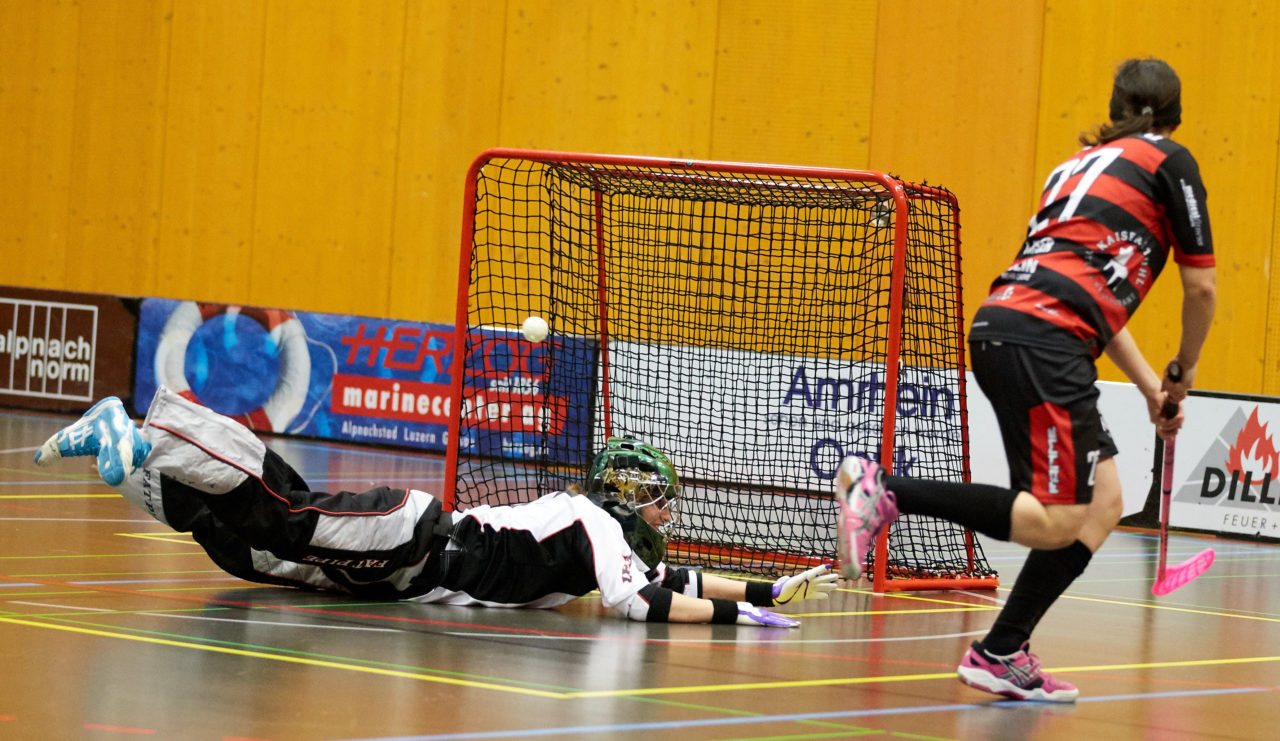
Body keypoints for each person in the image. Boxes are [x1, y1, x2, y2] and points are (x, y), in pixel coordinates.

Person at [836, 57, 1216, 703]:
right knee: (1055, 521)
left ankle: (1000, 650)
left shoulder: (1071, 168)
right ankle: (882, 489)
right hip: (1046, 343)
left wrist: (1156, 387)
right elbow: (1201, 286)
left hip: (1007, 325)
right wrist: (1186, 371)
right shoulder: (1170, 161)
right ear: (1174, 114)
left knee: (1104, 502)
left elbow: (1090, 294)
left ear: (1116, 106)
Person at [36, 386, 836, 626]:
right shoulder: (597, 525)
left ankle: (131, 460)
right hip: (413, 536)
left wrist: (766, 591)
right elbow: (652, 603)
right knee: (283, 509)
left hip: (402, 571)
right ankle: (154, 430)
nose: (666, 514)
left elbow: (682, 578)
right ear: (626, 497)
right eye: (658, 501)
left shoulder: (604, 537)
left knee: (252, 545)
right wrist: (745, 624)